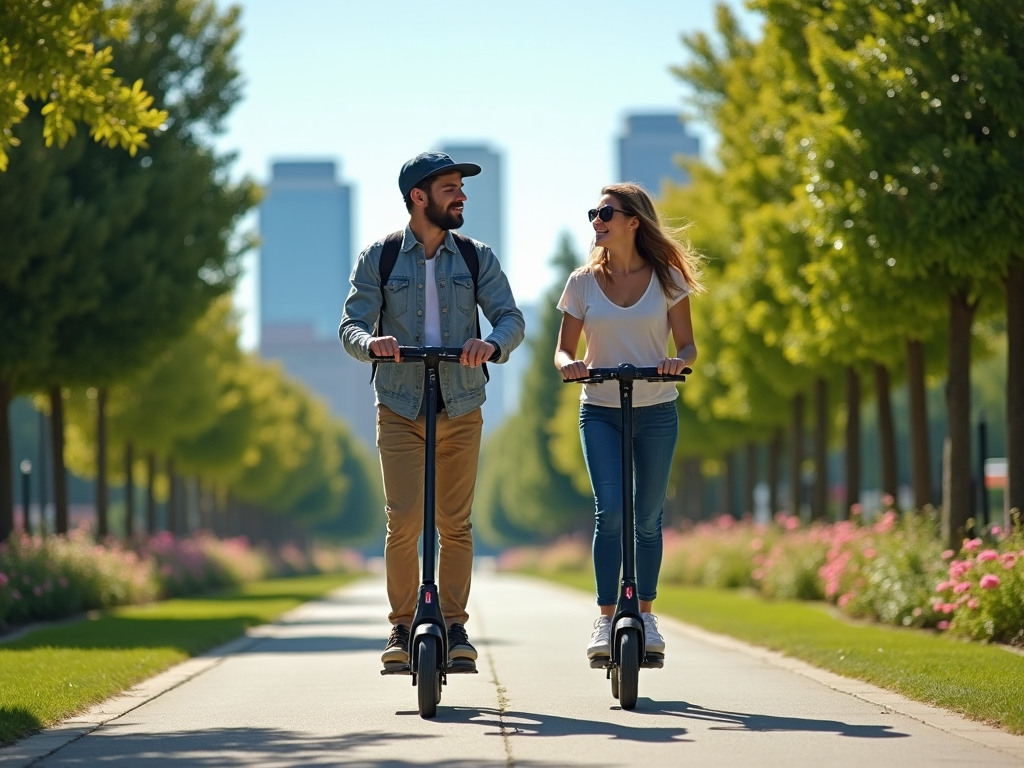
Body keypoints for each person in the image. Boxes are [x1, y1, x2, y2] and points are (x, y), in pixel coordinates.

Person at [340, 151, 525, 668]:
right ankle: (401, 629)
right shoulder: (379, 258)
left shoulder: (475, 257)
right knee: (402, 521)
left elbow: (510, 318)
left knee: (455, 523)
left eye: (460, 188)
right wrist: (370, 342)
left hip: (462, 404)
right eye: (449, 188)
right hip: (399, 406)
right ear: (418, 197)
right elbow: (350, 323)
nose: (461, 195)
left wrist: (492, 345)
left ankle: (456, 626)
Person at [553, 182, 702, 660]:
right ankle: (604, 619)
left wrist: (678, 361)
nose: (597, 221)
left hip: (656, 408)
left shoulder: (668, 279)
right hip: (599, 409)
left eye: (606, 213)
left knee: (649, 518)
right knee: (611, 510)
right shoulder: (581, 283)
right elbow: (562, 349)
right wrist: (568, 366)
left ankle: (648, 614)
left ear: (633, 222)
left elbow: (688, 345)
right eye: (593, 214)